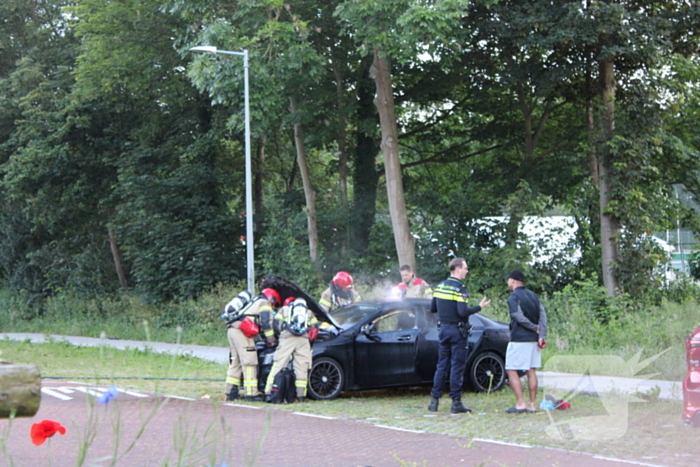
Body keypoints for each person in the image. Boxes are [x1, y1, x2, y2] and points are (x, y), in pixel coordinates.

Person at [428, 258, 491, 414]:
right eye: (465, 268)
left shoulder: (440, 286)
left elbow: (433, 308)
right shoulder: (460, 289)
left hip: (442, 330)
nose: (467, 271)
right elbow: (462, 312)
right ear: (457, 269)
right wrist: (479, 307)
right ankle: (456, 402)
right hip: (457, 331)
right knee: (457, 367)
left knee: (441, 365)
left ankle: (434, 401)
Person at [224, 287, 280, 401]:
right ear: (272, 299)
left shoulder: (253, 302)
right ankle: (251, 394)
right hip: (242, 331)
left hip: (232, 328)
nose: (274, 307)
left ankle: (230, 392)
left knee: (236, 362)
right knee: (250, 361)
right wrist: (271, 340)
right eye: (275, 305)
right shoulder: (264, 303)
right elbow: (266, 324)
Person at [504, 270, 547, 414]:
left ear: (513, 280)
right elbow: (542, 315)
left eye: (508, 280)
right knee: (531, 370)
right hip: (534, 340)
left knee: (511, 369)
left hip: (519, 338)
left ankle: (521, 403)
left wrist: (534, 327)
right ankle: (532, 404)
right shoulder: (533, 295)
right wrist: (541, 333)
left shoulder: (513, 297)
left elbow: (518, 316)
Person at [264, 297, 319, 402]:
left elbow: (276, 325)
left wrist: (280, 336)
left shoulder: (285, 310)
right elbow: (315, 328)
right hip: (303, 339)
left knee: (279, 364)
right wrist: (308, 339)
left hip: (287, 338)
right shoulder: (309, 312)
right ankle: (300, 395)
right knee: (302, 367)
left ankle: (270, 392)